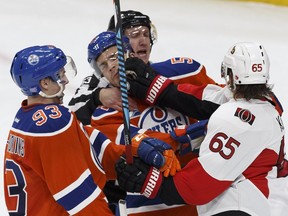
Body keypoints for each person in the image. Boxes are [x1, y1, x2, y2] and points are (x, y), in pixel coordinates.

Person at [4, 45, 181, 215]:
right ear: (44, 84)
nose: (65, 80)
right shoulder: (53, 121)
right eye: (59, 75)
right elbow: (77, 196)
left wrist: (137, 149)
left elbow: (91, 148)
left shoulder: (26, 117)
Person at [116, 42, 287, 215]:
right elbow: (207, 100)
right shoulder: (268, 108)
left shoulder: (232, 117)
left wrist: (150, 182)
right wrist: (157, 88)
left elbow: (199, 185)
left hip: (238, 208)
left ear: (230, 75)